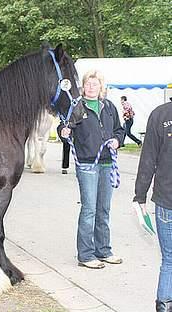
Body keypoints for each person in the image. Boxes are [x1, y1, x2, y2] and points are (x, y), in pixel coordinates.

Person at [58, 70, 125, 269]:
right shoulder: (77, 106)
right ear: (83, 86)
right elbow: (64, 128)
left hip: (107, 163)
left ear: (100, 86)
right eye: (88, 84)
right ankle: (86, 255)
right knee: (89, 210)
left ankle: (104, 251)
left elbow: (120, 130)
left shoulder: (109, 107)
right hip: (87, 163)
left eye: (95, 84)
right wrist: (63, 131)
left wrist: (117, 141)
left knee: (103, 209)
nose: (91, 87)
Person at [133, 101, 172, 311]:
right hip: (166, 199)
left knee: (169, 260)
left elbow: (148, 159)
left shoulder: (159, 115)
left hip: (166, 199)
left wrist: (140, 195)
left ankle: (164, 306)